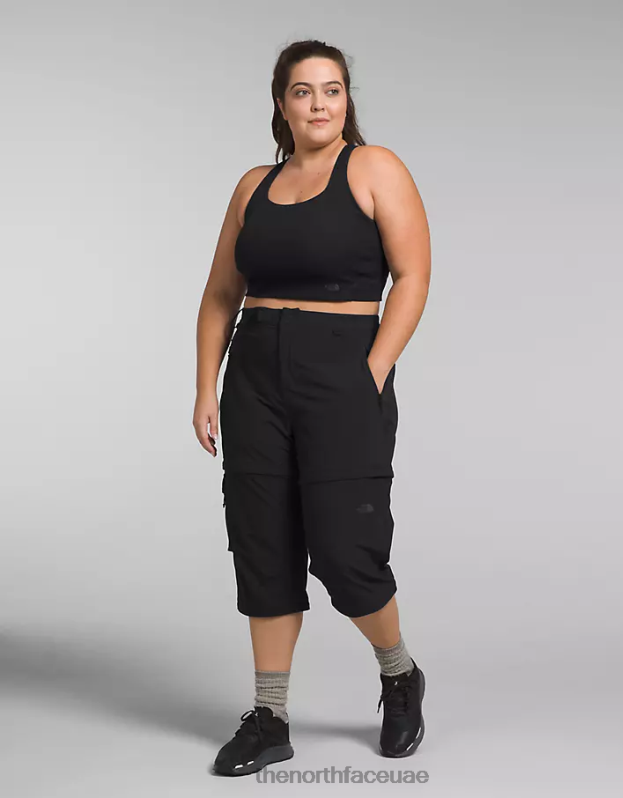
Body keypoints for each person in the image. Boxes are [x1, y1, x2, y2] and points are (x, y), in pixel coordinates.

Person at [193, 39, 431, 777]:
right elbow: (220, 295)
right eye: (303, 91)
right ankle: (269, 717)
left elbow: (413, 276)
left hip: (342, 374)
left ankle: (399, 673)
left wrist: (372, 371)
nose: (320, 103)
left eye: (332, 89)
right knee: (261, 541)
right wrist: (205, 387)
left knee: (344, 549)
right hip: (255, 374)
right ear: (282, 104)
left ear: (346, 99)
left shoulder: (374, 167)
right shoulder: (252, 186)